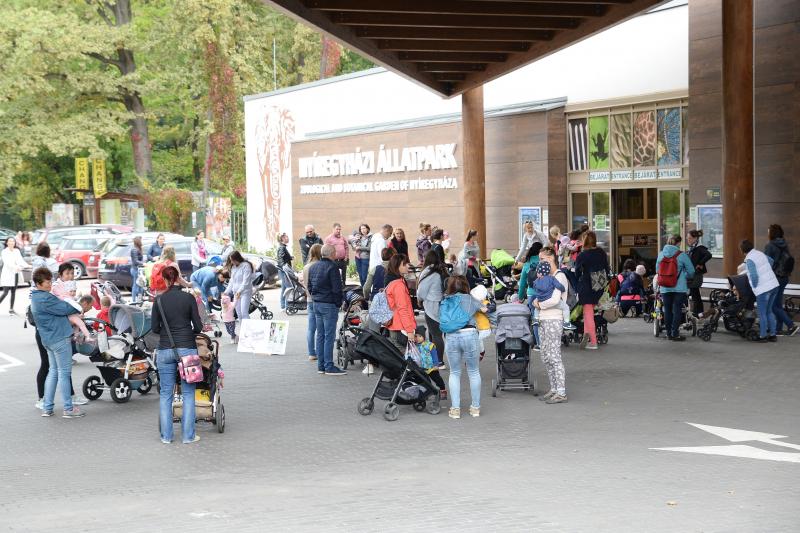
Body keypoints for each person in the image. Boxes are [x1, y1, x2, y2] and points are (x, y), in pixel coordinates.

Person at [151, 266, 203, 444]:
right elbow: (198, 326)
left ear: (165, 280)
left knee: (166, 394)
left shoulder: (158, 301)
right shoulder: (188, 298)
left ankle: (166, 437)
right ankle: (188, 436)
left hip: (165, 350)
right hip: (187, 349)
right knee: (188, 393)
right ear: (178, 278)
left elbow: (155, 328)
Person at [30, 267, 85, 418]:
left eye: (50, 280)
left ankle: (47, 407)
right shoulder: (46, 298)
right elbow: (67, 308)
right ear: (38, 283)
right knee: (64, 373)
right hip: (59, 338)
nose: (50, 284)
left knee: (53, 371)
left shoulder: (35, 297)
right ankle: (68, 409)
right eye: (47, 281)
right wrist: (71, 298)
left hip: (48, 339)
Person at [441, 275, 485, 419]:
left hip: (451, 336)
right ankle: (475, 408)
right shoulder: (471, 299)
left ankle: (455, 410)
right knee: (473, 371)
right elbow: (485, 309)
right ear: (466, 286)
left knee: (454, 372)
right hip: (469, 334)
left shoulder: (445, 300)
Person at [532, 254, 569, 404]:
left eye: (543, 258)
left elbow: (555, 300)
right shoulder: (545, 278)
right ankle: (554, 388)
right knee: (545, 355)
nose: (541, 262)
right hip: (543, 319)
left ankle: (561, 391)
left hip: (553, 318)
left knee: (554, 356)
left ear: (551, 259)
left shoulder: (559, 277)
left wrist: (539, 304)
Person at [307, 244, 346, 375]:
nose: (336, 254)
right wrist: (338, 303)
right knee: (329, 336)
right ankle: (329, 366)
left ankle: (321, 366)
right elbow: (337, 288)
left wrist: (315, 297)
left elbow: (309, 286)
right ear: (331, 254)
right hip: (329, 304)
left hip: (316, 303)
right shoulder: (332, 267)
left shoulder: (313, 267)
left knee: (320, 335)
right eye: (335, 252)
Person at [654, 235, 695, 342]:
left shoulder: (661, 254)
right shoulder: (682, 255)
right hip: (679, 287)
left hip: (665, 287)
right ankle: (675, 333)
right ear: (678, 243)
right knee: (677, 309)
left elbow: (657, 270)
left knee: (667, 310)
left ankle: (668, 333)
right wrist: (684, 276)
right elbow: (691, 271)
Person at [574, 231, 610, 349]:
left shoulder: (583, 255)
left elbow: (577, 271)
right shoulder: (601, 252)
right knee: (587, 313)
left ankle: (593, 342)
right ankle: (586, 335)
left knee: (588, 314)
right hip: (599, 286)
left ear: (584, 240)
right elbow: (607, 268)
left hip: (586, 286)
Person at [741, 239, 779, 342]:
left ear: (743, 251)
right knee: (769, 311)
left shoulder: (749, 259)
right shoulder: (759, 253)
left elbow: (754, 276)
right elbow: (771, 261)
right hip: (774, 285)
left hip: (763, 289)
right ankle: (773, 335)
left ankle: (762, 336)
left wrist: (755, 287)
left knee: (762, 313)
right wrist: (766, 272)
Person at [416, 250, 449, 371]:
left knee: (435, 334)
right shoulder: (442, 271)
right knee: (438, 334)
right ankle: (434, 359)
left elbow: (421, 292)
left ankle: (439, 362)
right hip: (442, 305)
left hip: (432, 306)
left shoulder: (429, 273)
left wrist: (419, 299)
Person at [763, 224, 797, 336]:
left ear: (771, 233)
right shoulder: (784, 244)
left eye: (768, 231)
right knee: (777, 304)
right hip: (784, 277)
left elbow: (766, 263)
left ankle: (791, 325)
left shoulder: (770, 245)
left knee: (773, 306)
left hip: (775, 278)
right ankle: (778, 328)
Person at [384, 254, 417, 351]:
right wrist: (409, 330)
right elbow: (402, 309)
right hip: (400, 329)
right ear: (397, 266)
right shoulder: (398, 285)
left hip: (396, 327)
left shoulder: (397, 281)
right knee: (407, 362)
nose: (408, 266)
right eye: (404, 264)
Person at [52, 263, 92, 340]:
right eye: (67, 273)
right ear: (60, 275)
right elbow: (66, 300)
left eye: (72, 273)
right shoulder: (56, 286)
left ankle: (76, 337)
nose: (70, 276)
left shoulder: (69, 284)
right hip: (62, 319)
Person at [532, 261, 575, 331]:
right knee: (566, 307)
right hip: (550, 299)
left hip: (540, 300)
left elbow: (534, 288)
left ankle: (536, 319)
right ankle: (567, 323)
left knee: (536, 308)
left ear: (539, 273)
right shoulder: (551, 278)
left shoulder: (536, 281)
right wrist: (563, 289)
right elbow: (559, 286)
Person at [413, 325, 447, 399]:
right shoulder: (415, 346)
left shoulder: (429, 345)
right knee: (425, 382)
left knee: (438, 379)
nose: (417, 338)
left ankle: (443, 390)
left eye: (420, 336)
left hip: (431, 367)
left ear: (424, 337)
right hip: (421, 368)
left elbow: (434, 356)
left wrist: (436, 365)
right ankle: (427, 393)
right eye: (415, 336)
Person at [224, 251, 254, 332]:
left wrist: (239, 291)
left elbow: (246, 281)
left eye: (233, 260)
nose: (232, 262)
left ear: (237, 258)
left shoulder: (246, 266)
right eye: (231, 260)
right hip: (236, 293)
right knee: (239, 313)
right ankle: (244, 331)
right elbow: (232, 281)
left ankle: (249, 331)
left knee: (244, 312)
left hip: (245, 292)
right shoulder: (233, 267)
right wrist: (226, 292)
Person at [302, 243, 323, 361]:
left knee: (311, 328)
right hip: (319, 299)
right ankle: (320, 352)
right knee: (321, 328)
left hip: (309, 299)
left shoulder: (306, 267)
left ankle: (311, 352)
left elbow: (305, 284)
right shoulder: (320, 266)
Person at [686, 229, 712, 317]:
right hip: (692, 274)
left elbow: (709, 255)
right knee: (694, 294)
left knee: (695, 294)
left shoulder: (699, 248)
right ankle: (698, 312)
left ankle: (697, 313)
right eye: (687, 238)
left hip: (696, 275)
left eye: (690, 238)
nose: (688, 240)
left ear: (695, 238)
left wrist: (700, 263)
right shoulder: (693, 248)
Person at [0, 237, 27, 314]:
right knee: (5, 292)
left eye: (13, 241)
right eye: (10, 241)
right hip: (7, 274)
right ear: (7, 243)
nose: (12, 243)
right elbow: (7, 263)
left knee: (13, 292)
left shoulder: (16, 251)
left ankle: (11, 309)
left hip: (15, 273)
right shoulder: (4, 252)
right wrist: (16, 267)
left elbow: (20, 260)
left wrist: (27, 265)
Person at [276, 232, 294, 311]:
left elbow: (283, 257)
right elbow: (280, 259)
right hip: (284, 270)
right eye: (286, 237)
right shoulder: (282, 248)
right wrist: (284, 268)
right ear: (283, 238)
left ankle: (284, 305)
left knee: (285, 287)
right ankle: (285, 306)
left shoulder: (283, 247)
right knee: (287, 287)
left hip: (283, 270)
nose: (288, 238)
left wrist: (290, 257)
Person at [129, 236, 145, 303]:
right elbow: (135, 261)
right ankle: (134, 300)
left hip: (138, 269)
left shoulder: (138, 249)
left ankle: (139, 300)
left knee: (140, 285)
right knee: (136, 285)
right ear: (138, 241)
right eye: (141, 240)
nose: (142, 242)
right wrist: (143, 263)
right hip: (135, 269)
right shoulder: (134, 250)